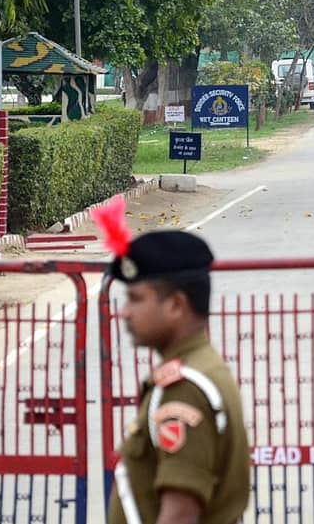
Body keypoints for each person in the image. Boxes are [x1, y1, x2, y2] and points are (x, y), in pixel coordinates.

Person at [94, 199, 250, 524]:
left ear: (176, 305)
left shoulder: (186, 388)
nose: (125, 311)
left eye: (136, 299)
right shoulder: (201, 368)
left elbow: (179, 515)